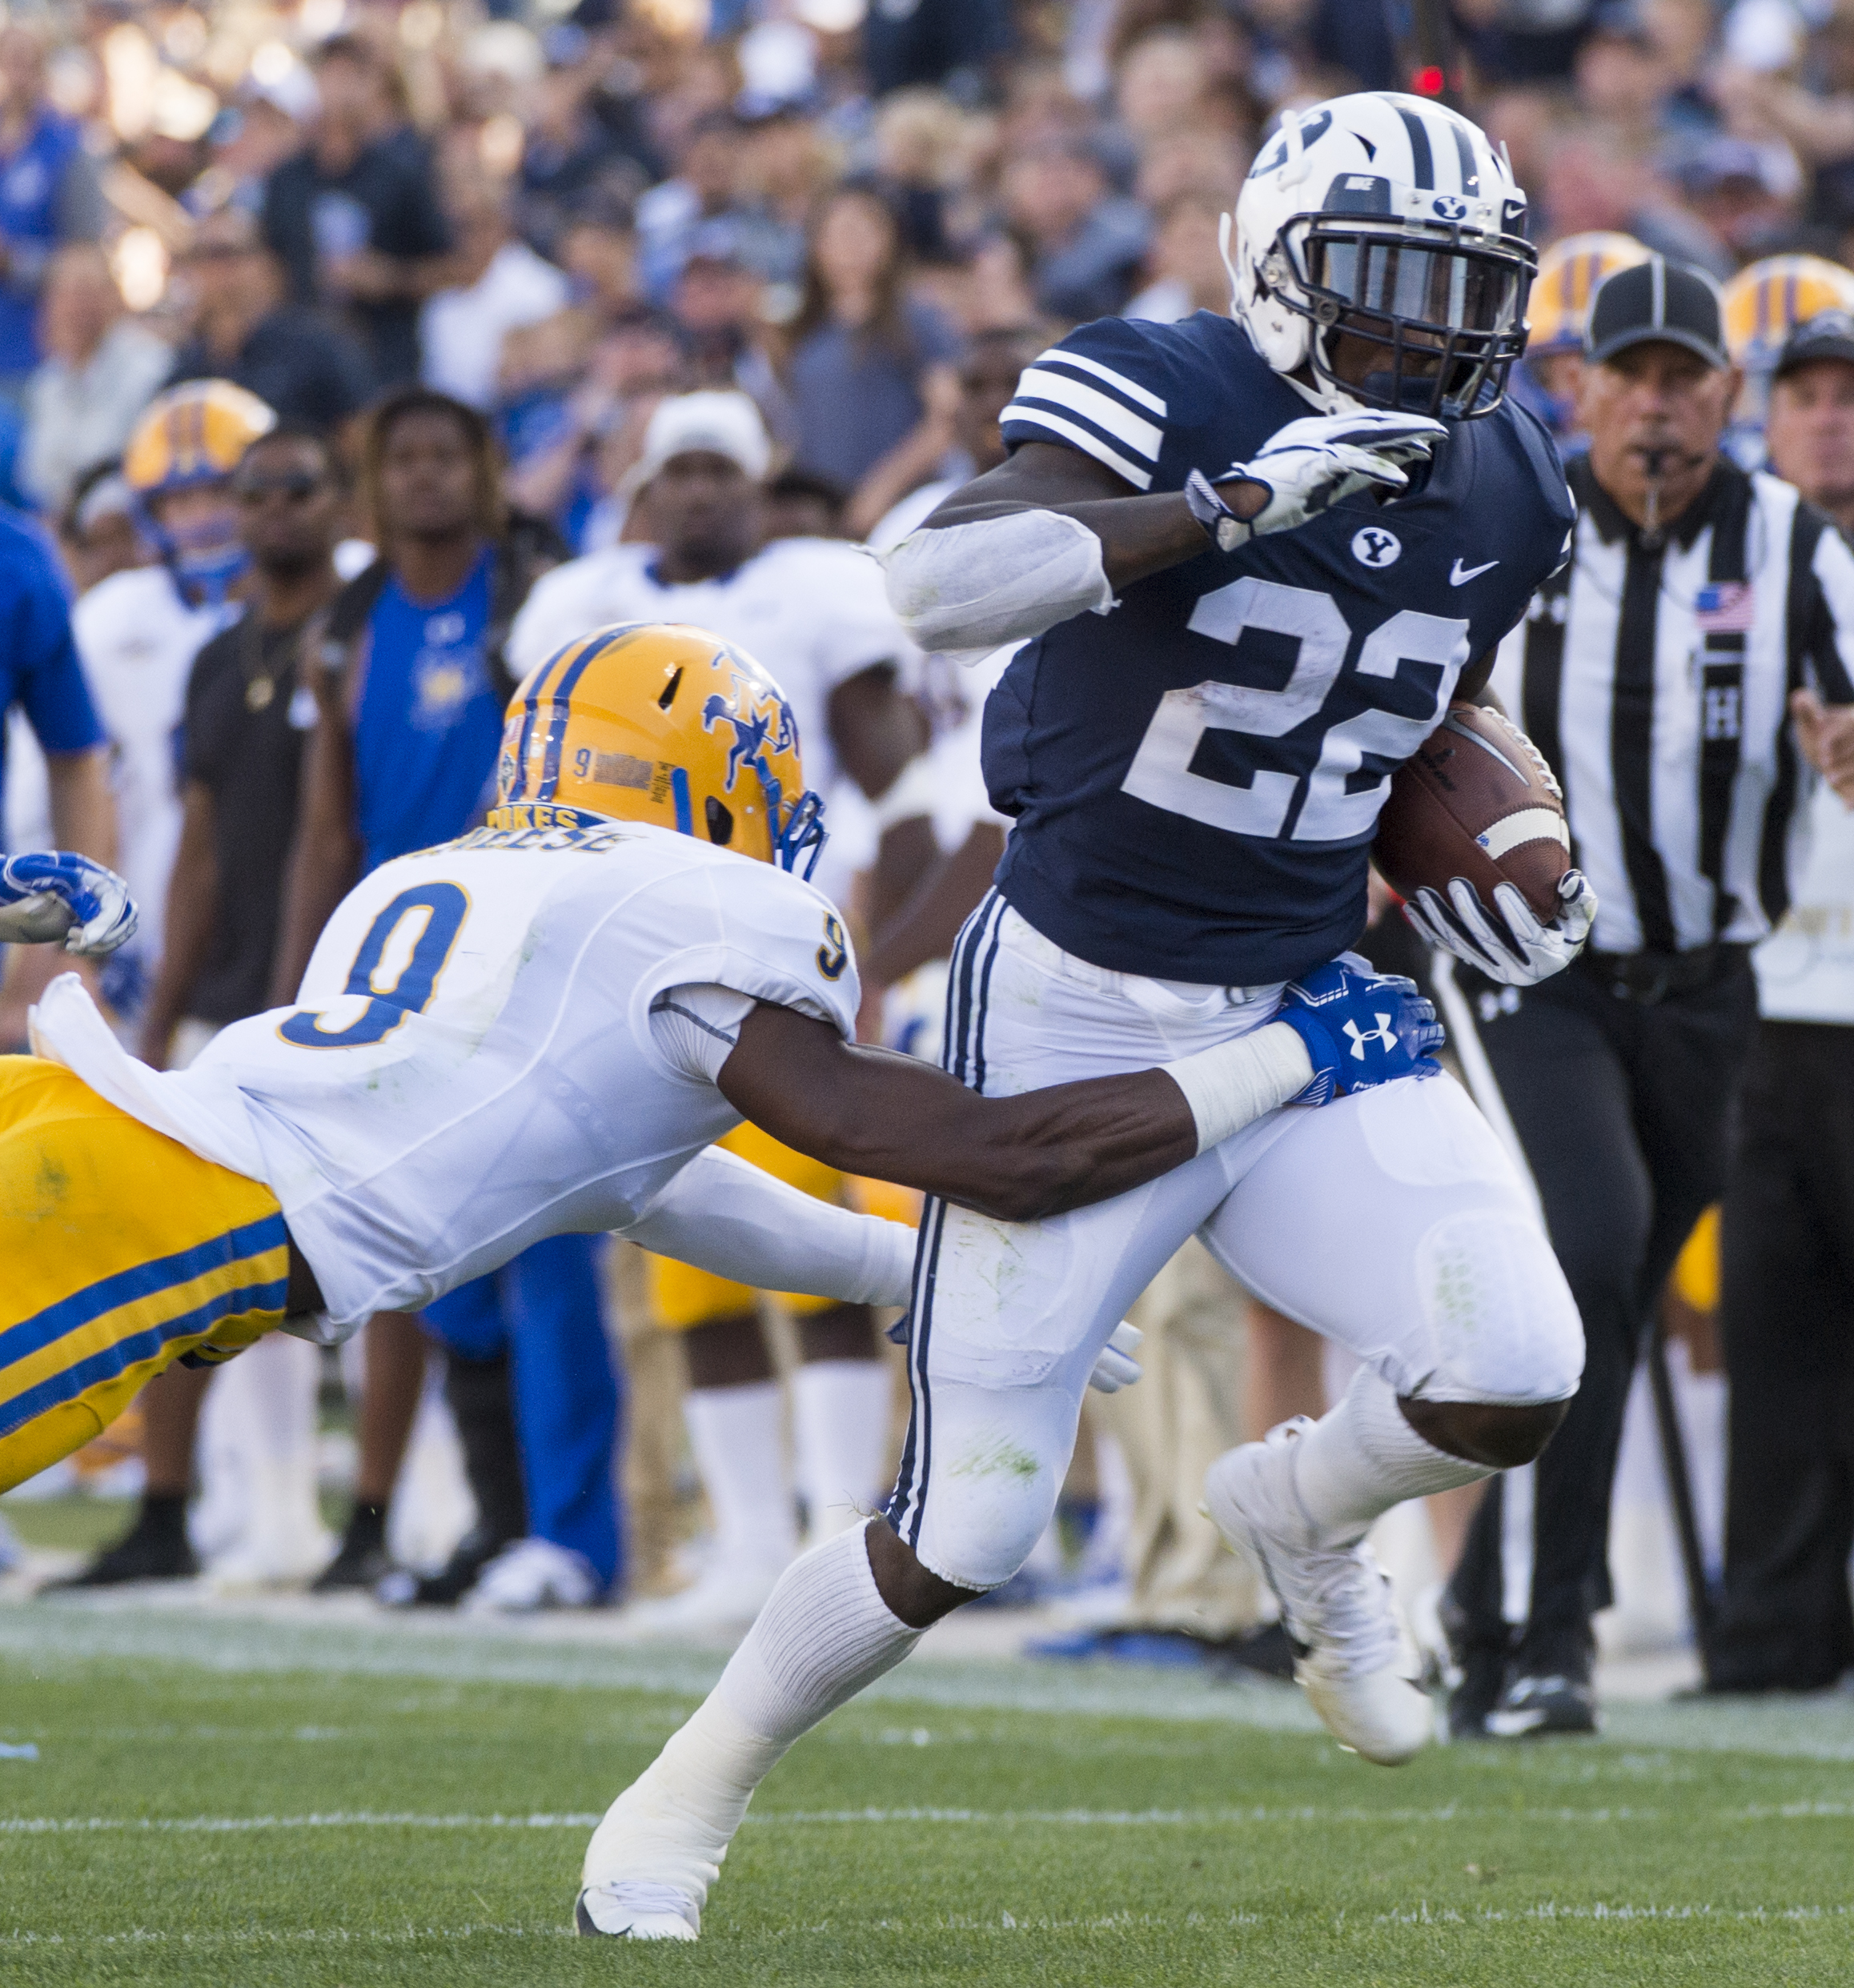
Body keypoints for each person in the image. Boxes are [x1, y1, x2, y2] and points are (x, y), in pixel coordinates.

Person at [580, 91, 1588, 1943]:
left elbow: (1424, 704)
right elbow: (936, 582)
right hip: (1071, 998)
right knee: (963, 1523)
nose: (1428, 337)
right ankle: (690, 1778)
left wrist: (1509, 850)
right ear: (1275, 276)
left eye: (1464, 295)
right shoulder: (1165, 384)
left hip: (1298, 993)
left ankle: (1296, 1507)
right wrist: (1216, 509)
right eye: (1381, 290)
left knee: (1510, 1362)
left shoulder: (1510, 474)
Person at [0, 623, 1437, 1570]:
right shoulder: (696, 906)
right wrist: (1291, 1052)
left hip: (79, 1122)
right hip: (164, 1205)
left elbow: (652, 1180)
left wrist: (892, 1256)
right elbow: (980, 1152)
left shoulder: (441, 878)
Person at [1444, 259, 1854, 1737]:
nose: (1662, 404)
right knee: (1596, 1244)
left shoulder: (1795, 546)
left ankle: (1481, 1607)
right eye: (1637, 376)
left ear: (1725, 398)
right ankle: (1555, 1633)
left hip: (1709, 996)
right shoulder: (1517, 530)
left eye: (1690, 379)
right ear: (1582, 388)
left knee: (1597, 1300)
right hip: (1533, 971)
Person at [508, 389, 927, 1631]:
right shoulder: (582, 607)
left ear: (759, 484)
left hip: (772, 946)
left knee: (803, 1253)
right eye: (677, 469)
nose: (699, 492)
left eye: (721, 470)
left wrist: (873, 944)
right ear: (641, 485)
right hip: (631, 955)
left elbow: (896, 782)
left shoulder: (812, 590)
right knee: (694, 1273)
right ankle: (747, 1542)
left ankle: (837, 1525)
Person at [276, 386, 616, 1614]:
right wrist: (303, 986)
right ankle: (500, 1524)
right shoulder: (350, 622)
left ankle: (583, 1541)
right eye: (401, 458)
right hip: (402, 985)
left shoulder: (540, 597)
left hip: (529, 971)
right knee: (446, 1274)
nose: (424, 478)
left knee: (556, 1264)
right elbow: (327, 822)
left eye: (446, 456)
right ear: (374, 481)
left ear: (484, 470)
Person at [49, 423, 349, 1591]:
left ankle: (350, 1512)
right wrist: (157, 1001)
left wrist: (301, 991)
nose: (257, 511)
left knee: (325, 1266)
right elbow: (201, 850)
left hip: (336, 989)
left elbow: (341, 833)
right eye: (245, 491)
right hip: (217, 985)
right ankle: (202, 1509)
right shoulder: (212, 656)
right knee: (193, 1262)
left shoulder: (362, 625)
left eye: (288, 487)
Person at [1707, 309, 1854, 1693]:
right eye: (1804, 395)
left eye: (1846, 396)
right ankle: (1768, 1636)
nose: (1828, 418)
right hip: (1760, 994)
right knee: (1772, 1331)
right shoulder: (1726, 561)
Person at [58, 383, 277, 1038]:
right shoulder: (111, 619)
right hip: (148, 934)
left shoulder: (327, 592)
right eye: (182, 501)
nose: (203, 518)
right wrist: (86, 938)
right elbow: (78, 791)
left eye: (219, 493)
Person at [261, 34, 452, 389]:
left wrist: (391, 278)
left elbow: (452, 266)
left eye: (352, 77)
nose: (340, 90)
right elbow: (268, 262)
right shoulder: (286, 179)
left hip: (386, 354)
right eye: (331, 75)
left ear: (373, 87)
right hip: (302, 355)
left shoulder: (402, 174)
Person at [783, 184, 961, 499]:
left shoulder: (917, 319)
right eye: (837, 235)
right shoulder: (807, 333)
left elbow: (946, 418)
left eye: (861, 233)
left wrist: (882, 490)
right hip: (824, 508)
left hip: (902, 507)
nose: (850, 247)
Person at [166, 206, 374, 438]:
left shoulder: (316, 346)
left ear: (265, 263)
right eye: (201, 255)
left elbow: (360, 434)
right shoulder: (186, 368)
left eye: (226, 253)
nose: (215, 269)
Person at [18, 244, 173, 511]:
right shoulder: (47, 383)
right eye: (63, 294)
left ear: (113, 297)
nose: (74, 308)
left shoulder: (151, 368)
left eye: (85, 293)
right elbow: (36, 480)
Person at [0, 22, 106, 398]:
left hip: (34, 351)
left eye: (27, 63)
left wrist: (15, 261)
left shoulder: (69, 149)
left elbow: (87, 258)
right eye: (9, 61)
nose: (16, 75)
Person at [419, 186, 572, 411]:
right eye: (454, 227)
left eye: (473, 224)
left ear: (501, 223)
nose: (463, 238)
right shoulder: (439, 305)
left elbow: (557, 376)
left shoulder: (541, 286)